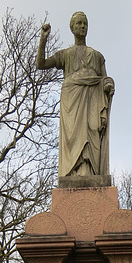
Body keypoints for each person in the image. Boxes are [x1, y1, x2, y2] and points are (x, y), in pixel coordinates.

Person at [36, 12, 115, 178]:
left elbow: (104, 79)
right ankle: (74, 173)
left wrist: (108, 84)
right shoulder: (66, 54)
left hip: (93, 98)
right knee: (75, 139)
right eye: (78, 23)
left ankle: (91, 172)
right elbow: (41, 64)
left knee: (92, 133)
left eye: (85, 23)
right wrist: (43, 40)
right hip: (72, 100)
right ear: (72, 28)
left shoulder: (97, 56)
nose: (82, 26)